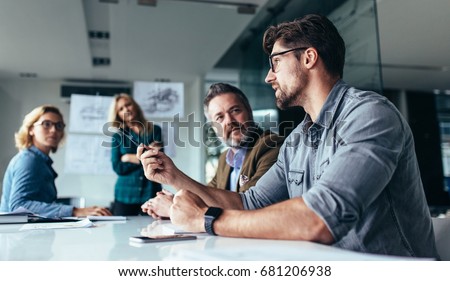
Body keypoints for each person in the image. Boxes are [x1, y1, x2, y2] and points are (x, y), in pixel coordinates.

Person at [138, 14, 439, 258]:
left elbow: (320, 218)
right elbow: (248, 203)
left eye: (276, 62)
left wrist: (206, 219)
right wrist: (173, 177)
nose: (269, 76)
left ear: (309, 58)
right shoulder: (297, 140)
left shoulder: (370, 116)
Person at [140, 83, 284, 218]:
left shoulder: (270, 145)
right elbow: (207, 197)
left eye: (235, 110)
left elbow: (249, 207)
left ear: (249, 112)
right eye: (219, 117)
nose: (228, 121)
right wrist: (175, 199)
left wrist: (173, 206)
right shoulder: (225, 158)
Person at [0, 105, 111, 218]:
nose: (54, 130)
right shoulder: (29, 160)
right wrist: (74, 211)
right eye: (46, 124)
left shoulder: (40, 161)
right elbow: (19, 206)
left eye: (59, 126)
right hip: (17, 234)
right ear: (31, 129)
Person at [109, 93, 163, 216]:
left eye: (128, 105)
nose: (126, 109)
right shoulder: (118, 137)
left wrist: (128, 157)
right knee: (121, 233)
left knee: (153, 230)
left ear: (135, 106)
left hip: (150, 192)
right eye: (121, 109)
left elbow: (158, 161)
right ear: (118, 115)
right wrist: (145, 157)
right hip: (125, 194)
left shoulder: (155, 130)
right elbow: (118, 167)